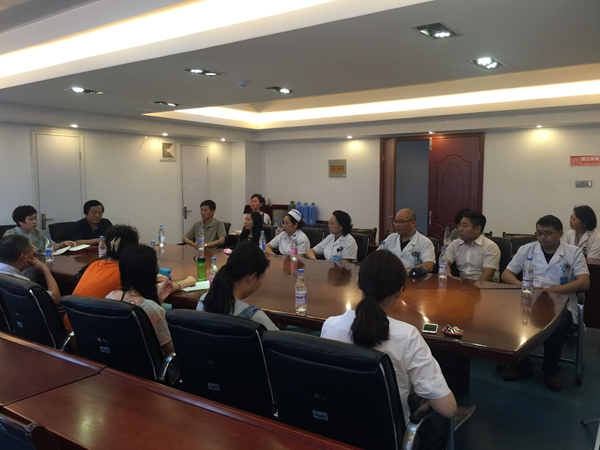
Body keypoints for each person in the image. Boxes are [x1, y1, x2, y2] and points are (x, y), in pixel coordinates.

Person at [321, 250, 473, 427]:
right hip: (387, 434)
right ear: (400, 291)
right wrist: (417, 385)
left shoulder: (331, 325)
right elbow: (448, 409)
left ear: (358, 284)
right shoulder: (407, 336)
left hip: (333, 428)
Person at [501, 215, 589, 391]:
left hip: (561, 302)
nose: (542, 237)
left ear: (560, 234)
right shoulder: (527, 249)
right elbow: (506, 275)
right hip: (529, 300)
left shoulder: (573, 252)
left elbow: (584, 282)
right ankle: (522, 365)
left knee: (555, 325)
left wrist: (550, 290)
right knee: (508, 317)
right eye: (539, 233)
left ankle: (551, 371)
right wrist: (524, 285)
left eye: (547, 233)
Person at [74, 225, 196, 298]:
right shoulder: (123, 273)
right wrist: (185, 283)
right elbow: (156, 289)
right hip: (96, 331)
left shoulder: (94, 265)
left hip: (74, 327)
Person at [106, 244, 175, 355]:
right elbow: (172, 351)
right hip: (151, 365)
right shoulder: (152, 309)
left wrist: (158, 301)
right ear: (151, 273)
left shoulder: (111, 297)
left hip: (116, 361)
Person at [196, 243, 279, 331]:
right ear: (252, 278)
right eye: (262, 278)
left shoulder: (203, 302)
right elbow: (278, 339)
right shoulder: (255, 317)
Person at [0, 234, 62, 304]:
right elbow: (56, 299)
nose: (34, 254)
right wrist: (45, 269)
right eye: (32, 250)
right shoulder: (24, 285)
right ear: (24, 257)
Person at [445, 211, 500, 281]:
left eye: (465, 226)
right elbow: (444, 264)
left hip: (486, 285)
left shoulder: (490, 247)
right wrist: (450, 279)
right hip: (462, 284)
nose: (460, 229)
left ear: (477, 229)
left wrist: (473, 287)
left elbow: (488, 276)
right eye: (460, 225)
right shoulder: (455, 244)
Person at [4, 205, 75, 252]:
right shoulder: (10, 235)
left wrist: (62, 244)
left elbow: (50, 246)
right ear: (20, 222)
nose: (35, 222)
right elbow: (9, 254)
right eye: (31, 219)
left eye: (35, 218)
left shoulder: (38, 232)